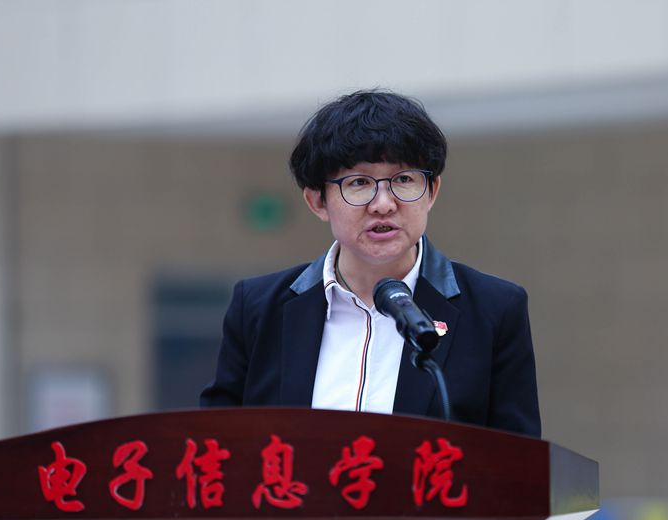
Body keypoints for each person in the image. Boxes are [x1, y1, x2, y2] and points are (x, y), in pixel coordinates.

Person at [200, 90, 541, 438]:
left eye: (404, 179)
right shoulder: (259, 308)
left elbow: (520, 458)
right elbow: (215, 445)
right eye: (359, 183)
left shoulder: (493, 309)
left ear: (432, 191)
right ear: (317, 201)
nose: (383, 204)